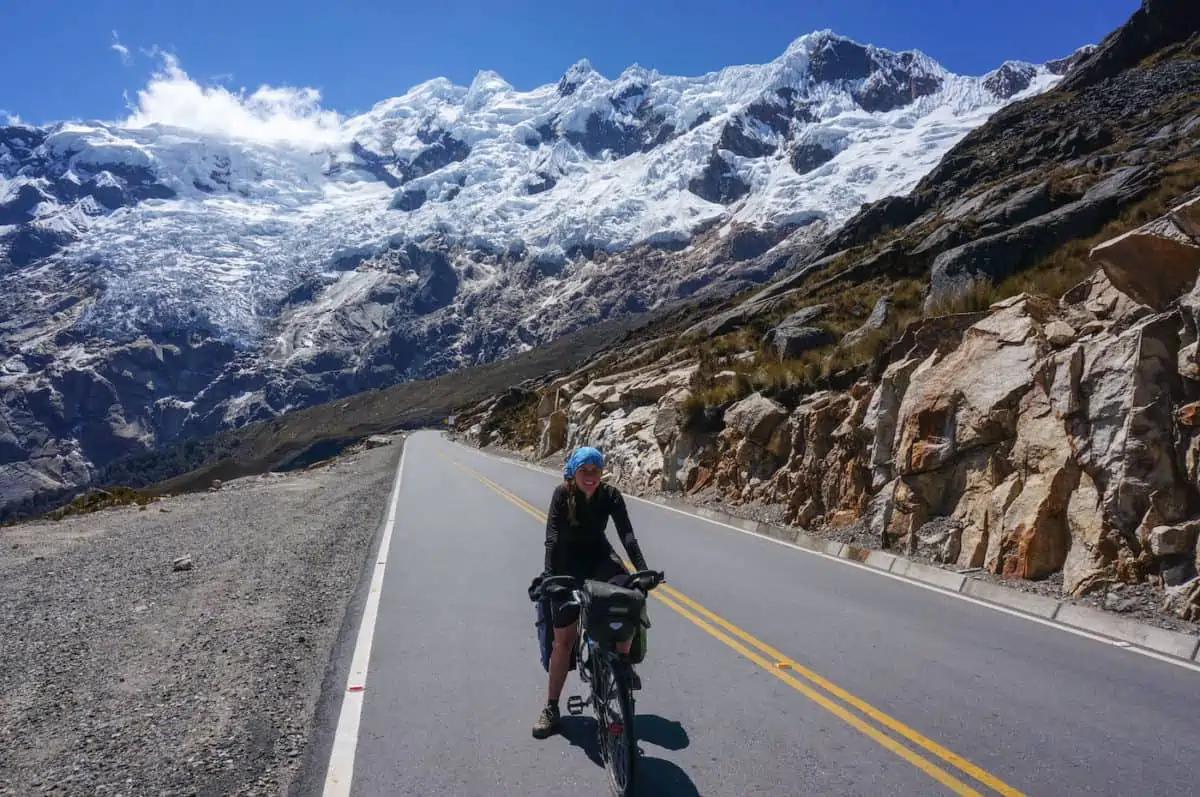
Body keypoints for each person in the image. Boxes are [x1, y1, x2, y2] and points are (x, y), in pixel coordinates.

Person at [532, 445, 650, 740]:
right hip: (566, 563)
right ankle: (551, 707)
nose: (590, 476)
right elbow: (552, 538)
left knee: (629, 595)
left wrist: (642, 570)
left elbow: (627, 534)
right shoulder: (562, 494)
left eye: (595, 471)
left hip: (599, 558)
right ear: (573, 472)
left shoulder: (610, 495)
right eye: (584, 470)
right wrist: (550, 577)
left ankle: (621, 666)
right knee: (564, 641)